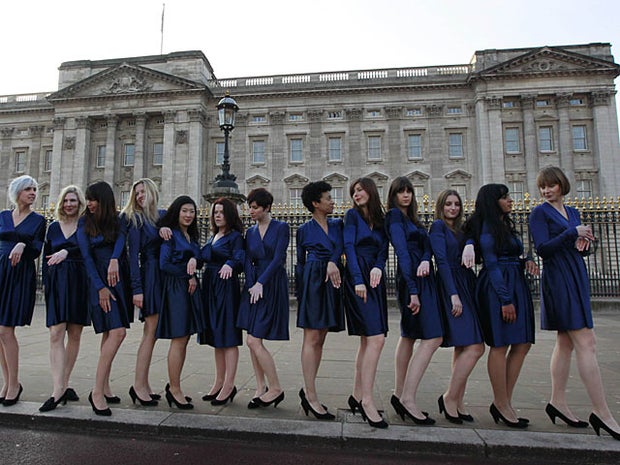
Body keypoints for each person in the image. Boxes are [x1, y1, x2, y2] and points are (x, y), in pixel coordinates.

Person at [529, 166, 620, 440]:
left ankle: (557, 401)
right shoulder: (538, 213)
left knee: (565, 342)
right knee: (587, 342)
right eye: (543, 186)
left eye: (551, 186)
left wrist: (585, 241)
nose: (546, 190)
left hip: (576, 274)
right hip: (558, 278)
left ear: (561, 186)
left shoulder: (574, 213)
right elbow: (542, 249)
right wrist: (572, 234)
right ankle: (602, 412)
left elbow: (581, 244)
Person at [462, 183, 538, 428]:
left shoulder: (505, 224)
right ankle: (502, 403)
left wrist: (525, 259)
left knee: (523, 342)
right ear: (493, 202)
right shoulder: (487, 229)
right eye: (505, 197)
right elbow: (492, 265)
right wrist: (505, 299)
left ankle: (503, 400)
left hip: (515, 281)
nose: (510, 200)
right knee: (500, 343)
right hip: (498, 286)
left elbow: (513, 252)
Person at [385, 176, 442, 425]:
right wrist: (413, 290)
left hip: (424, 276)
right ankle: (408, 398)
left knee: (408, 335)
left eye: (409, 191)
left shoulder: (413, 219)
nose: (406, 195)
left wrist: (425, 259)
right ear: (393, 195)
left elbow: (428, 247)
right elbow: (402, 253)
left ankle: (399, 394)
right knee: (433, 337)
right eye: (401, 191)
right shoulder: (394, 217)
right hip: (412, 281)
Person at [429, 189, 484, 424]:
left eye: (457, 204)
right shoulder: (438, 227)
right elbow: (440, 261)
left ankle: (458, 399)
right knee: (476, 346)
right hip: (451, 285)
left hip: (467, 283)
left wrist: (470, 243)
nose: (453, 208)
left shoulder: (461, 229)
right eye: (449, 204)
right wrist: (453, 295)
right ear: (441, 206)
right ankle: (449, 397)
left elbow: (471, 238)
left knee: (463, 346)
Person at [77, 181, 131, 416]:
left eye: (93, 199)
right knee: (118, 332)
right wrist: (99, 287)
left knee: (111, 332)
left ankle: (105, 386)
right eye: (88, 199)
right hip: (98, 280)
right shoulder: (84, 222)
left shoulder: (119, 220)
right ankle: (97, 391)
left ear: (104, 200)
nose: (89, 203)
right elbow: (86, 257)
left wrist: (114, 259)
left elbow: (120, 241)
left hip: (118, 277)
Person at [296, 181, 344, 420]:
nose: (332, 201)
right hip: (313, 280)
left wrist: (333, 261)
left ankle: (309, 390)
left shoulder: (337, 225)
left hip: (332, 279)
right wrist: (302, 290)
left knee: (322, 336)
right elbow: (300, 262)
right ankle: (311, 395)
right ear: (315, 203)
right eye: (328, 197)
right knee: (311, 336)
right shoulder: (304, 229)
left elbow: (341, 247)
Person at [343, 178, 389, 428]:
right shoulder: (351, 216)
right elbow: (348, 247)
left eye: (360, 190)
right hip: (357, 279)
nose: (356, 193)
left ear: (371, 192)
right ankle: (368, 401)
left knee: (367, 340)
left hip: (375, 277)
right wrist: (358, 280)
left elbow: (383, 250)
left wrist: (380, 268)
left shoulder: (380, 220)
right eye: (354, 191)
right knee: (376, 338)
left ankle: (357, 394)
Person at [40, 185, 89, 412]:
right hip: (57, 282)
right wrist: (47, 284)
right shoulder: (52, 228)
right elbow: (45, 258)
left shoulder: (86, 225)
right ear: (61, 203)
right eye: (66, 200)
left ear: (80, 203)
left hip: (79, 280)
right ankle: (58, 388)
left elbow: (88, 249)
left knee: (75, 333)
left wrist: (68, 252)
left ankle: (64, 384)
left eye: (73, 201)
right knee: (56, 333)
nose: (69, 204)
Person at [237, 188, 288, 409]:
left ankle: (275, 388)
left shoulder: (281, 227)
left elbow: (279, 258)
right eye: (250, 207)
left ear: (267, 207)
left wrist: (261, 283)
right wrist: (251, 284)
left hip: (272, 284)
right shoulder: (250, 232)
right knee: (252, 340)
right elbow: (248, 260)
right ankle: (260, 387)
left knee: (253, 340)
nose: (251, 211)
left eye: (255, 207)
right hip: (253, 287)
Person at [121, 178, 170, 407]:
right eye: (136, 193)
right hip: (149, 276)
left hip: (161, 277)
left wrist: (166, 228)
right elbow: (133, 258)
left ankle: (145, 384)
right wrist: (137, 289)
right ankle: (138, 386)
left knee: (153, 332)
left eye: (143, 192)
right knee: (150, 332)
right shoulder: (135, 219)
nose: (140, 196)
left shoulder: (160, 216)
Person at [0, 175, 46, 407]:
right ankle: (8, 382)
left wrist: (22, 244)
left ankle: (15, 382)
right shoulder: (3, 216)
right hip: (0, 271)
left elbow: (37, 249)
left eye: (35, 189)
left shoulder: (38, 220)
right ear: (17, 192)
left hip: (19, 276)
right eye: (28, 189)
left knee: (5, 330)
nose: (32, 193)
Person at [157, 195, 206, 410]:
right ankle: (174, 388)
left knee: (184, 338)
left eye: (192, 211)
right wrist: (189, 276)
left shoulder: (190, 236)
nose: (188, 215)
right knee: (178, 339)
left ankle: (175, 386)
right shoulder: (171, 235)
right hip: (176, 289)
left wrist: (195, 261)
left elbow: (199, 258)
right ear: (177, 211)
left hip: (188, 290)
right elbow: (164, 264)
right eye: (185, 210)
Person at [199, 197, 244, 406]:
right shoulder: (213, 236)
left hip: (226, 287)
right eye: (215, 212)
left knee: (228, 336)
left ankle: (229, 385)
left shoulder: (235, 236)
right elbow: (201, 258)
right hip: (210, 286)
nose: (217, 215)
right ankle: (218, 382)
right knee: (216, 337)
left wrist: (230, 264)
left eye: (221, 212)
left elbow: (240, 258)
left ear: (229, 214)